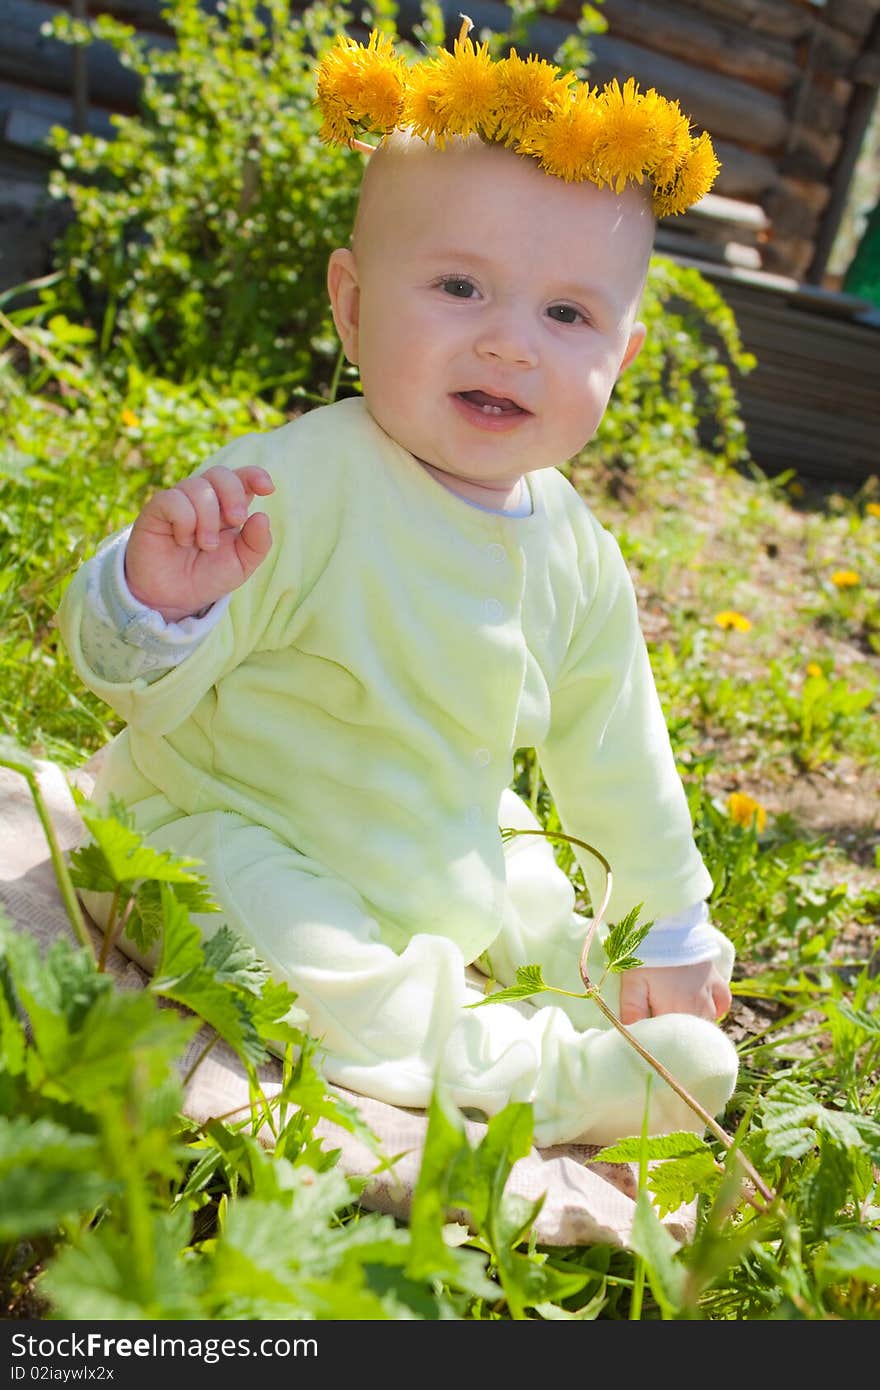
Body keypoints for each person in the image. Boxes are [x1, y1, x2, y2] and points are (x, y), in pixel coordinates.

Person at [57, 25, 740, 1149]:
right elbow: (122, 676)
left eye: (566, 314)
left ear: (617, 354)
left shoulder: (574, 549)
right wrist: (154, 600)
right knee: (275, 931)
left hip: (427, 842)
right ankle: (524, 1078)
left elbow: (616, 752)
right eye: (461, 286)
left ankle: (595, 994)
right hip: (221, 824)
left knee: (526, 860)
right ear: (353, 303)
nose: (511, 344)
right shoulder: (298, 485)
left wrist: (666, 921)